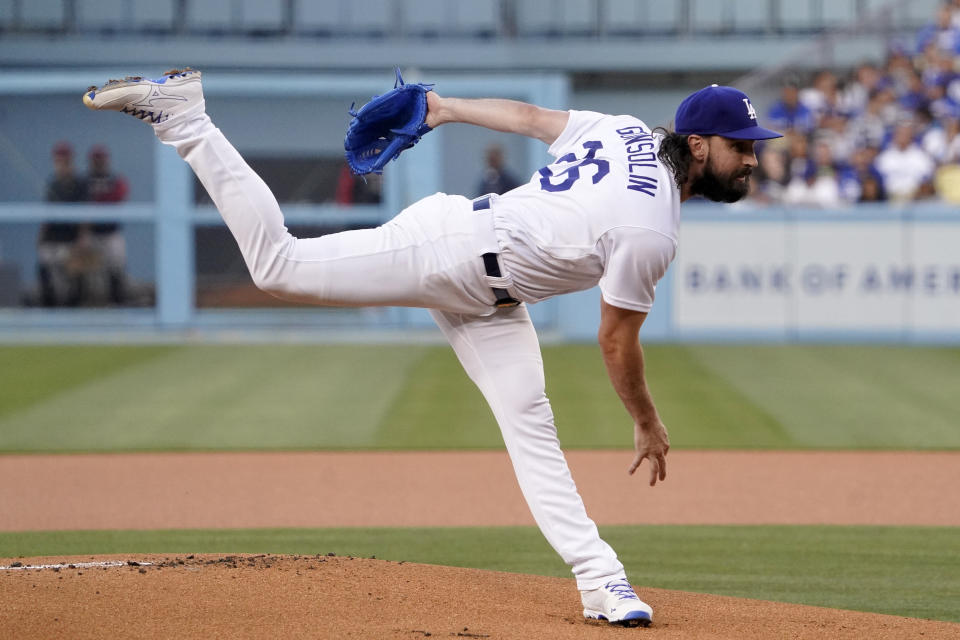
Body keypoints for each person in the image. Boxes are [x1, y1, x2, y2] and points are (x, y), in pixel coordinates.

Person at [83, 69, 781, 627]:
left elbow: (532, 120)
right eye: (741, 146)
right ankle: (188, 119)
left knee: (531, 426)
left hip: (490, 297)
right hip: (449, 251)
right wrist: (648, 421)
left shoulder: (626, 132)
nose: (752, 157)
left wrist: (445, 106)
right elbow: (615, 340)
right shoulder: (653, 226)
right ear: (697, 146)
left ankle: (603, 583)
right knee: (278, 267)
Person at [38, 141, 87, 306]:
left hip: (70, 240)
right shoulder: (53, 183)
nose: (60, 165)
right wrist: (41, 236)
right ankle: (48, 305)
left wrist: (82, 238)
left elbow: (85, 213)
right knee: (45, 267)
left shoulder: (79, 183)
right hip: (52, 238)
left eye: (64, 161)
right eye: (58, 161)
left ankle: (74, 306)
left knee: (73, 274)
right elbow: (47, 213)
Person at [85, 145, 130, 304]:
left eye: (101, 159)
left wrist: (100, 200)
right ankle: (94, 303)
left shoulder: (114, 180)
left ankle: (118, 301)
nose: (98, 162)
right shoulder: (85, 181)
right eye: (96, 159)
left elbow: (120, 194)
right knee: (93, 273)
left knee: (116, 267)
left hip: (111, 233)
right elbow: (83, 201)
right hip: (92, 233)